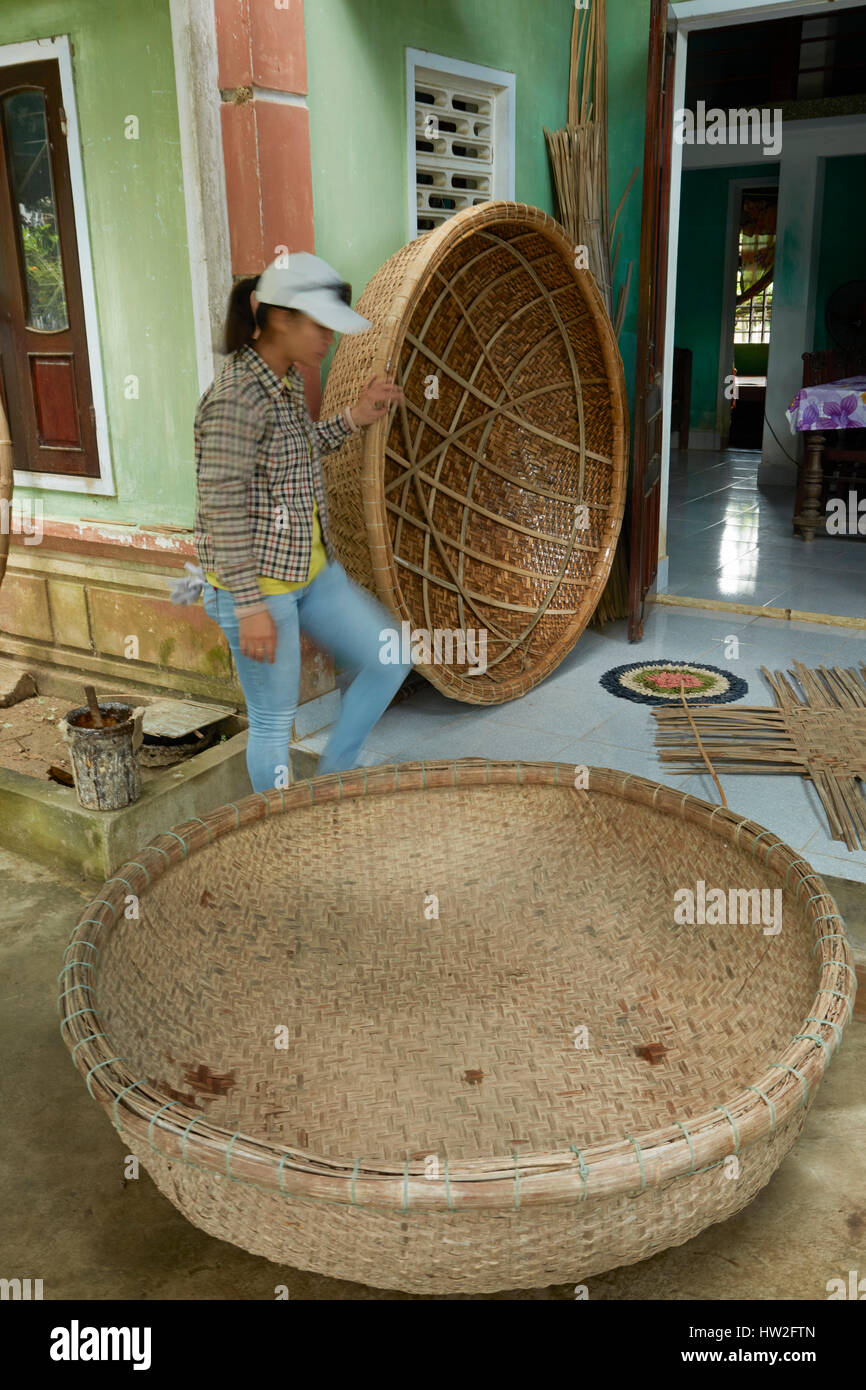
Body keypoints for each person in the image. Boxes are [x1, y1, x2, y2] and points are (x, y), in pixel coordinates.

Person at [192, 252, 411, 794]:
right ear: (280, 318)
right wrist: (248, 606)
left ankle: (331, 785)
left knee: (393, 655)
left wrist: (354, 417)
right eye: (320, 326)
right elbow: (220, 509)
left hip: (311, 571)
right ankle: (283, 836)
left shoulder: (283, 381)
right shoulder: (235, 399)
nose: (329, 341)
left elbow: (295, 454)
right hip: (258, 587)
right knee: (272, 723)